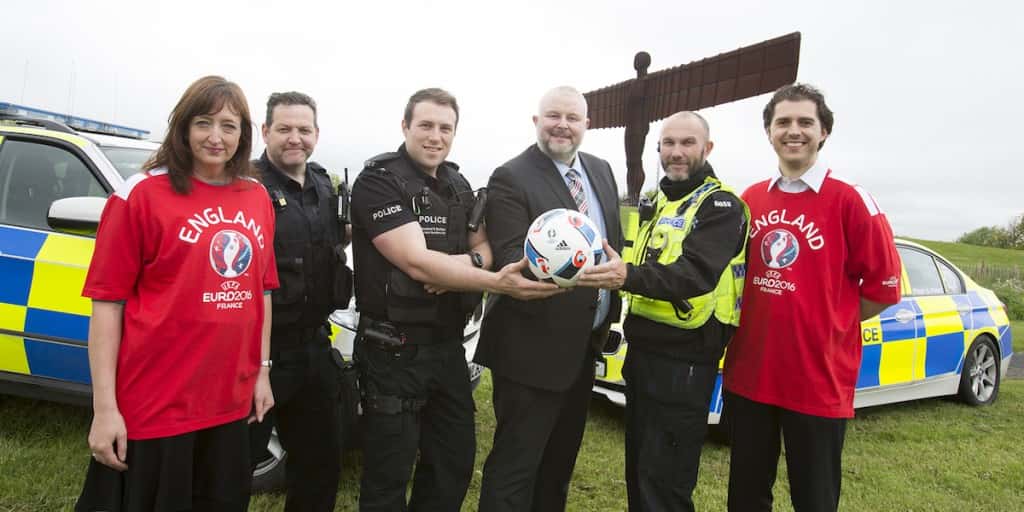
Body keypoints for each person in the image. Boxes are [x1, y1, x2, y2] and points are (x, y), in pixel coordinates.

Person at [350, 87, 560, 512]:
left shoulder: (457, 184)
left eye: (446, 128)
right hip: (392, 352)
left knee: (453, 462)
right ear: (405, 126)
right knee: (389, 475)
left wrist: (459, 267)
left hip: (447, 350)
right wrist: (485, 277)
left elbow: (483, 247)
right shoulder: (378, 182)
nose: (435, 136)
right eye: (425, 125)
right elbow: (416, 262)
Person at [76, 75, 277, 512]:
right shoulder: (141, 194)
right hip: (156, 402)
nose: (216, 137)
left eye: (229, 125)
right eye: (204, 123)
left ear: (243, 133)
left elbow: (261, 291)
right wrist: (104, 409)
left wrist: (261, 371)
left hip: (228, 400)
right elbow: (107, 304)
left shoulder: (257, 196)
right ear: (183, 127)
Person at [722, 83, 902, 511]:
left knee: (815, 499)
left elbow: (883, 290)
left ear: (824, 133)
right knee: (745, 497)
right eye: (783, 122)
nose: (794, 131)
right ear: (769, 132)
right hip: (750, 376)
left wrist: (831, 322)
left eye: (806, 122)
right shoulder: (751, 199)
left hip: (817, 381)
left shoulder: (851, 201)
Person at [578, 111, 749, 512]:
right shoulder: (656, 199)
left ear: (707, 148)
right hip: (643, 351)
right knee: (640, 469)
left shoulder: (721, 205)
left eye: (687, 143)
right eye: (668, 144)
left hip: (686, 358)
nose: (676, 152)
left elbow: (694, 274)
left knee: (666, 479)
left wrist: (625, 276)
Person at [476, 86, 624, 512]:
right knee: (515, 470)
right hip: (530, 350)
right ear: (536, 121)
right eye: (553, 115)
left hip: (584, 347)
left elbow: (609, 240)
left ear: (587, 125)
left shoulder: (600, 170)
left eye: (572, 118)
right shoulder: (511, 176)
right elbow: (511, 257)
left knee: (558, 469)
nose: (562, 125)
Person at [248, 91, 352, 511]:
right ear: (266, 131)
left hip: (313, 348)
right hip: (255, 355)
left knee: (320, 468)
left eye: (304, 130)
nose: (296, 138)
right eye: (285, 129)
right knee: (229, 470)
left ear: (317, 133)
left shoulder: (324, 186)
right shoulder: (246, 187)